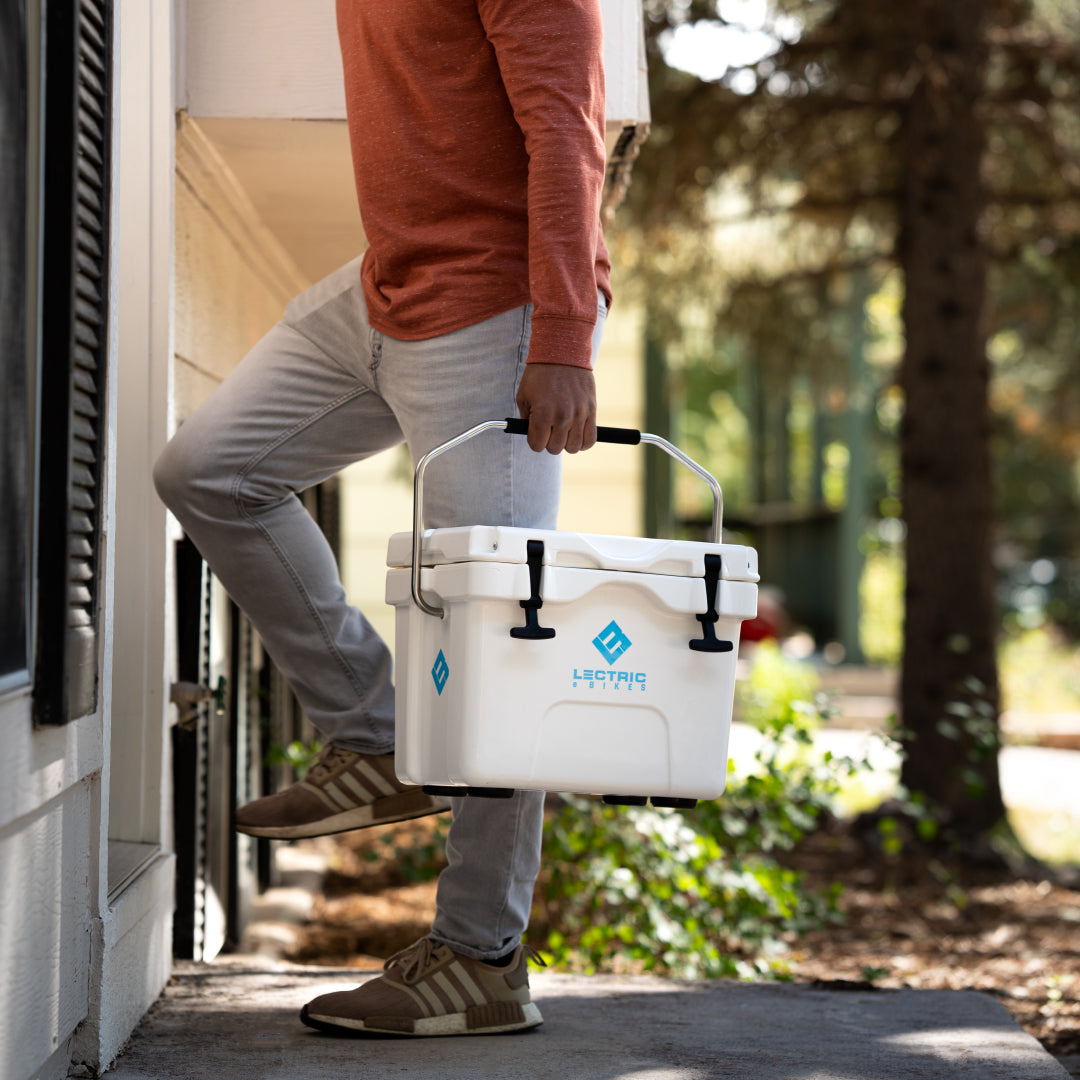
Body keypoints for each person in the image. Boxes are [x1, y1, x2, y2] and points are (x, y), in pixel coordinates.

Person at [153, 0, 611, 1037]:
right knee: (209, 470)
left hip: (497, 317)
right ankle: (375, 735)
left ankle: (479, 957)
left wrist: (565, 339)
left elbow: (567, 134)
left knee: (495, 640)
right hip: (384, 290)